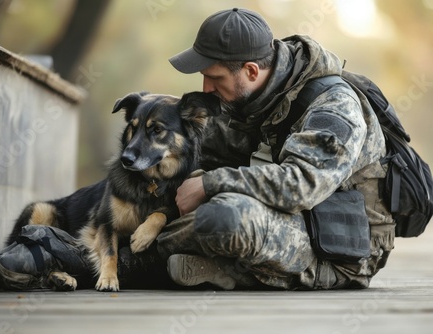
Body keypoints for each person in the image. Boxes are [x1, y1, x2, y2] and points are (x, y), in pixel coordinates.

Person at [155, 8, 395, 290]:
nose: (206, 88)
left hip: (343, 250)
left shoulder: (335, 107)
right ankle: (219, 268)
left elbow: (302, 185)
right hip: (283, 222)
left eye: (215, 78)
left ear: (251, 71)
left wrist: (209, 184)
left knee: (226, 218)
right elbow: (194, 150)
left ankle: (142, 261)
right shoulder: (250, 99)